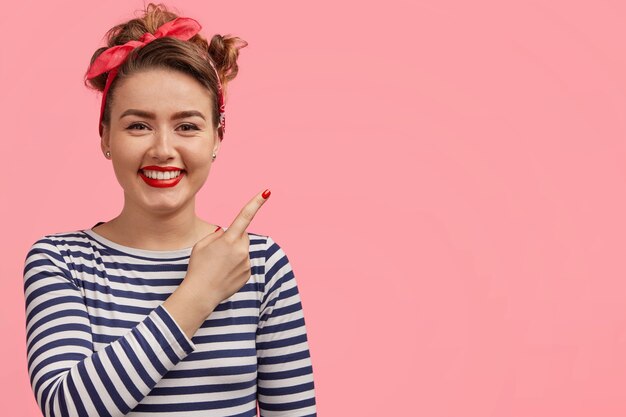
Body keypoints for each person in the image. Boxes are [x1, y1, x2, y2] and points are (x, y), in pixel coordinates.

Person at [22, 3, 317, 416]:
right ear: (105, 136)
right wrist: (199, 292)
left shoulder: (261, 264)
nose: (163, 150)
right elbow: (68, 408)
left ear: (217, 137)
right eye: (138, 125)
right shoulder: (60, 261)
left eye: (187, 126)